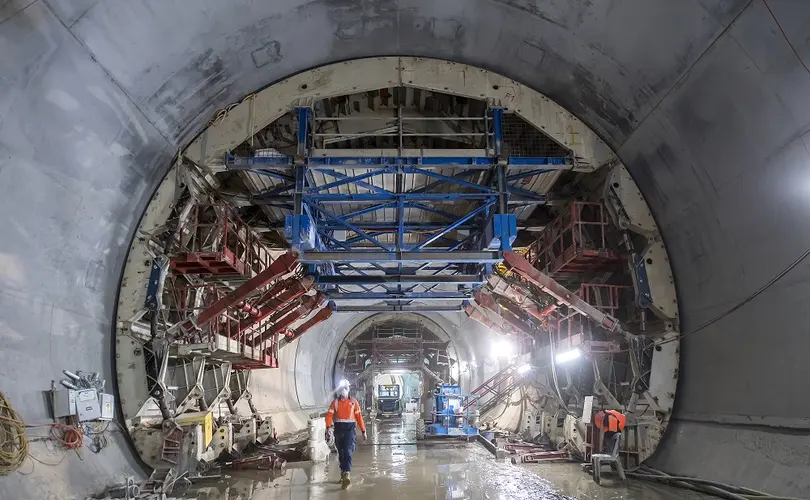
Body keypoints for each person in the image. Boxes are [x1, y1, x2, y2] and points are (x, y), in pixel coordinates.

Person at [326, 380, 367, 489]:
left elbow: (359, 418)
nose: (344, 390)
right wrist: (328, 427)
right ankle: (343, 473)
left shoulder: (354, 402)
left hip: (349, 430)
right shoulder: (335, 402)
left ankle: (347, 474)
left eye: (346, 388)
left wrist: (363, 431)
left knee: (348, 451)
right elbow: (329, 415)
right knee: (341, 453)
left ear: (349, 389)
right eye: (342, 388)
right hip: (338, 430)